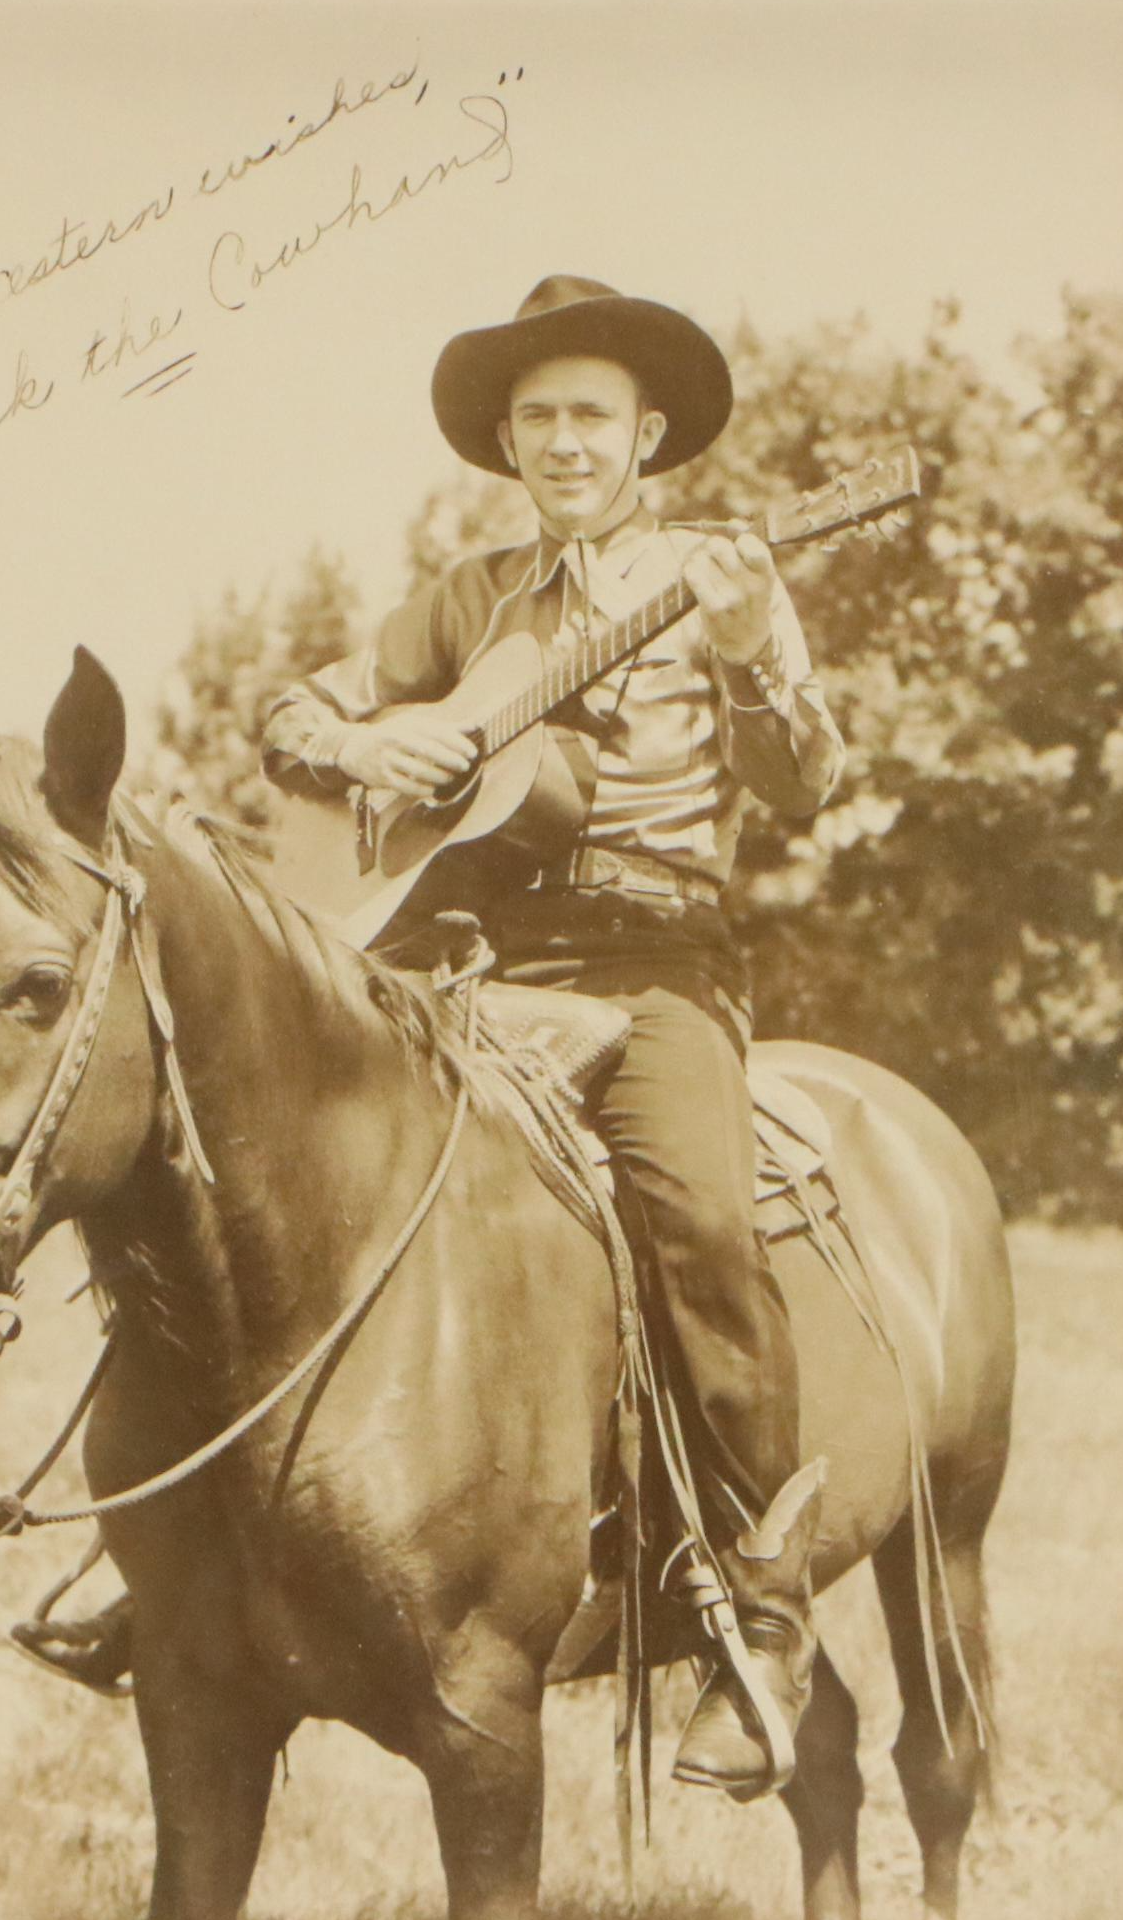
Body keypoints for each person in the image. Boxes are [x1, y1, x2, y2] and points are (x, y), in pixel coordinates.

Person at [258, 274, 847, 1797]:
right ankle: (208, 1545)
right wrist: (369, 743)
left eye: (591, 414)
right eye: (538, 418)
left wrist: (753, 651)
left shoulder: (723, 580)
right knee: (274, 1155)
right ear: (508, 442)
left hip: (654, 967)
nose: (565, 441)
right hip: (465, 961)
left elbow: (807, 781)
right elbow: (289, 716)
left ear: (648, 433)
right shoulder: (467, 601)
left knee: (702, 1219)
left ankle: (758, 1613)